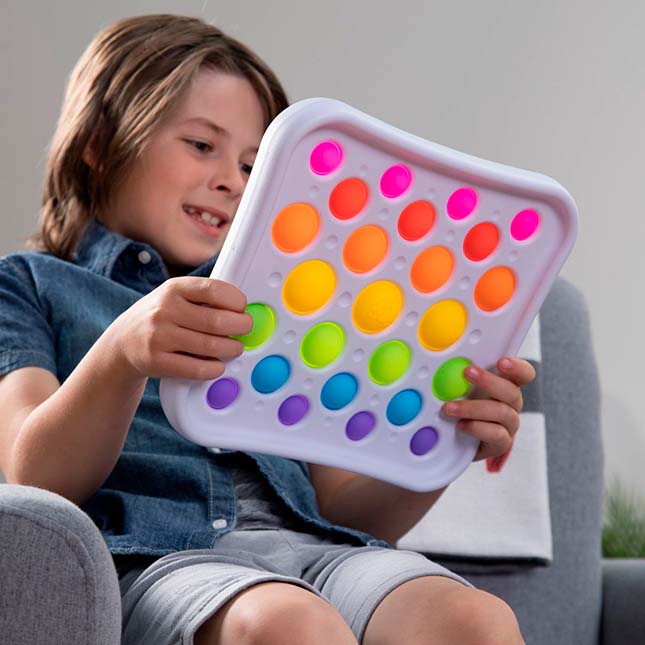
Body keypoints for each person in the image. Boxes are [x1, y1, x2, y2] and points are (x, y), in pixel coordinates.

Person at [0, 14, 535, 645]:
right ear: (99, 144)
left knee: (476, 620)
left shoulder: (292, 297)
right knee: (286, 623)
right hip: (160, 558)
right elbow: (36, 483)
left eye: (255, 164)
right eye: (202, 145)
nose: (232, 180)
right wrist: (120, 354)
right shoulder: (29, 285)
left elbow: (344, 510)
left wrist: (449, 441)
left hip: (319, 549)